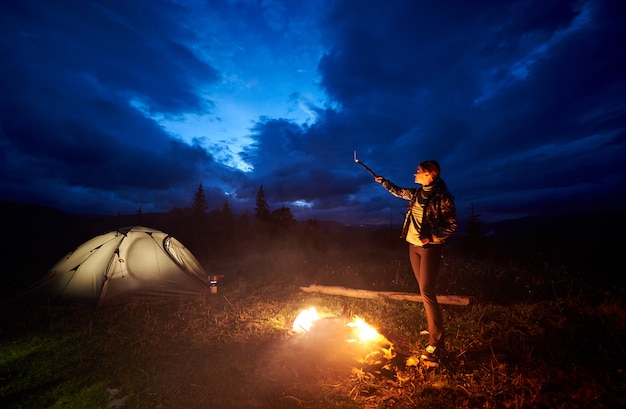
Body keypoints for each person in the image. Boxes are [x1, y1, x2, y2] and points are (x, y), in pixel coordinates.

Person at [374, 160, 457, 364]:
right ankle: (433, 332)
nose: (414, 173)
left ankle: (437, 344)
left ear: (430, 174)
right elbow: (400, 192)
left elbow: (451, 224)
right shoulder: (418, 193)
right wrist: (383, 181)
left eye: (418, 171)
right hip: (413, 247)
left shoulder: (442, 197)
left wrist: (432, 237)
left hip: (429, 248)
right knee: (423, 291)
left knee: (427, 291)